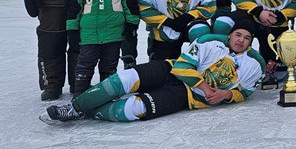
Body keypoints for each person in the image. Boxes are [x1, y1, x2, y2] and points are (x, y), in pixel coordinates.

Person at [40, 18, 264, 124]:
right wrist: (205, 87)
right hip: (169, 70)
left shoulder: (253, 65)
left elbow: (245, 92)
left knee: (132, 110)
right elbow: (182, 66)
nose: (241, 40)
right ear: (229, 36)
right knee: (125, 79)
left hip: (185, 97)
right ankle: (74, 107)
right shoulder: (211, 44)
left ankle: (86, 110)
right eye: (238, 35)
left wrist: (226, 95)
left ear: (251, 42)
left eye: (246, 38)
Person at [67, 0, 137, 96]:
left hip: (114, 32)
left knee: (109, 66)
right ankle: (80, 97)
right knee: (85, 65)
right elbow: (74, 8)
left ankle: (106, 96)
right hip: (89, 34)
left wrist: (132, 23)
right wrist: (72, 29)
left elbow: (129, 2)